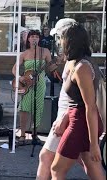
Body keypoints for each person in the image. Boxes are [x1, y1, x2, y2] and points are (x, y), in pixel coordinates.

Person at [50, 22, 105, 180]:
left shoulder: (82, 68)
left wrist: (94, 144)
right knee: (91, 165)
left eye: (62, 39)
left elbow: (90, 107)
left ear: (70, 41)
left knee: (56, 169)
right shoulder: (77, 63)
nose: (60, 42)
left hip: (81, 124)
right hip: (80, 121)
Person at [36, 18, 89, 180]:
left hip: (70, 116)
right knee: (86, 161)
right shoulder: (73, 59)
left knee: (48, 159)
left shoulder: (78, 63)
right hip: (69, 116)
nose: (57, 41)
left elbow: (82, 98)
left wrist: (64, 117)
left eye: (59, 37)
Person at [12, 29, 52, 145]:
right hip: (27, 84)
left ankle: (35, 134)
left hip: (40, 84)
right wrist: (19, 78)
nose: (34, 38)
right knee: (24, 108)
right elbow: (15, 69)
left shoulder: (45, 51)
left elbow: (50, 67)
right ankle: (23, 134)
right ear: (28, 39)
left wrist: (55, 64)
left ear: (39, 39)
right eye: (32, 36)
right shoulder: (24, 54)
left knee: (38, 108)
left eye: (36, 37)